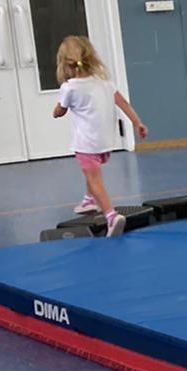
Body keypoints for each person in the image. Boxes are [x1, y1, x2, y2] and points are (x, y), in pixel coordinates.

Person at [52, 35, 148, 237]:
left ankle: (111, 216)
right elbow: (123, 103)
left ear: (65, 64)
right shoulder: (104, 83)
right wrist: (137, 122)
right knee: (92, 173)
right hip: (105, 142)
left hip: (86, 143)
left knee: (94, 179)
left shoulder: (69, 87)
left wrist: (57, 110)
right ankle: (89, 200)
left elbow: (59, 112)